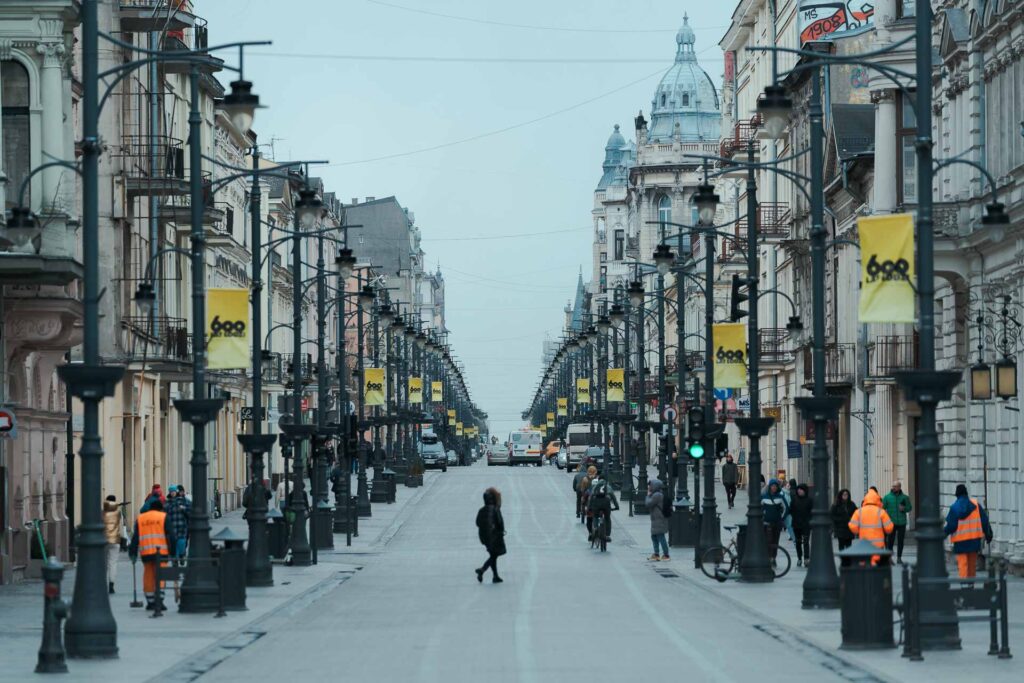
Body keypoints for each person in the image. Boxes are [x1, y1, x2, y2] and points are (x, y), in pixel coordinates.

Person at [128, 498, 175, 610]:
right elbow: (171, 536)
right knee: (160, 576)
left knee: (148, 576)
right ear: (160, 508)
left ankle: (150, 601)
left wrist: (133, 552)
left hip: (146, 553)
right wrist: (172, 552)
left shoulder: (141, 518)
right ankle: (159, 601)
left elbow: (135, 538)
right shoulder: (163, 517)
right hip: (162, 553)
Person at [944, 484, 992, 579]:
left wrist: (943, 534)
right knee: (971, 564)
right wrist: (988, 534)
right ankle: (970, 583)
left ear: (957, 495)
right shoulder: (976, 505)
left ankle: (964, 584)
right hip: (974, 540)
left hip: (960, 541)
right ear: (966, 493)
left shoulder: (954, 508)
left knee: (963, 564)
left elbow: (951, 526)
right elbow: (984, 521)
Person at [848, 488, 894, 565]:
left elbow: (852, 526)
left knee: (866, 561)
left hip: (864, 544)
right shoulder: (881, 512)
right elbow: (889, 528)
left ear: (865, 500)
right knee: (877, 563)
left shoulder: (859, 511)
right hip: (878, 545)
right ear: (878, 500)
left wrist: (857, 531)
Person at [475, 487, 505, 584]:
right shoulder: (495, 510)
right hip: (495, 535)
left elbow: (477, 522)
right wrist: (501, 531)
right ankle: (483, 569)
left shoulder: (482, 510)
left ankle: (494, 575)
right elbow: (500, 522)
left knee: (493, 555)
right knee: (494, 555)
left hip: (484, 536)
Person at [882, 481, 913, 564]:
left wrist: (904, 509)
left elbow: (910, 508)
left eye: (895, 486)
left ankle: (899, 558)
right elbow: (882, 508)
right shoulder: (887, 497)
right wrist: (885, 518)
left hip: (902, 522)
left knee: (900, 541)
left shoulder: (905, 497)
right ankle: (889, 559)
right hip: (891, 523)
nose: (893, 488)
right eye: (893, 486)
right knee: (890, 541)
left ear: (899, 487)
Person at [587, 470, 619, 542]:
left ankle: (595, 530)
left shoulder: (595, 487)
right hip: (606, 504)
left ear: (598, 480)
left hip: (596, 504)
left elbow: (591, 497)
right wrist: (617, 506)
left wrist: (589, 507)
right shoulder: (608, 486)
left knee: (595, 516)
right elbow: (613, 497)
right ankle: (607, 535)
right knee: (607, 518)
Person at [761, 479, 788, 563]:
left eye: (775, 486)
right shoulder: (764, 497)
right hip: (767, 522)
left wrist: (782, 518)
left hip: (777, 523)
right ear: (769, 487)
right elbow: (759, 508)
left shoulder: (780, 497)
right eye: (772, 486)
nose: (774, 487)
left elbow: (786, 508)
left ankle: (773, 558)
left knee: (776, 541)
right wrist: (763, 517)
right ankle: (769, 557)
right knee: (769, 541)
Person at [645, 478, 670, 561]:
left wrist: (648, 495)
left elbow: (648, 504)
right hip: (657, 519)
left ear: (654, 486)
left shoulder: (657, 495)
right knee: (654, 536)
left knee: (660, 536)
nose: (649, 487)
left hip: (659, 519)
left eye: (650, 485)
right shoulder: (657, 494)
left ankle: (666, 555)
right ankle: (656, 554)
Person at [103, 495, 123, 594]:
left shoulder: (102, 513)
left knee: (104, 563)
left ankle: (102, 583)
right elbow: (121, 526)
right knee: (113, 563)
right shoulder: (119, 513)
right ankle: (111, 584)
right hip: (115, 541)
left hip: (104, 541)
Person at [789, 484, 812, 567]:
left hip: (806, 524)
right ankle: (799, 558)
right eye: (798, 489)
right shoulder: (794, 500)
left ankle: (806, 559)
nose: (799, 491)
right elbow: (790, 510)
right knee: (798, 542)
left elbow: (812, 511)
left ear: (805, 491)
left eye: (801, 489)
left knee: (806, 542)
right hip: (796, 524)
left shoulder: (809, 500)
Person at [165, 484, 190, 560]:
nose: (172, 493)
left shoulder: (183, 501)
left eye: (174, 491)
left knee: (182, 542)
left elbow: (189, 512)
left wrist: (184, 509)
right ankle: (175, 559)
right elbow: (164, 514)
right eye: (171, 491)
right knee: (173, 543)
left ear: (176, 492)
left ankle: (182, 555)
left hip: (181, 526)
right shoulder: (168, 502)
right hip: (172, 526)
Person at [830, 489, 858, 556]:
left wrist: (852, 520)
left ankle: (848, 560)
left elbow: (856, 514)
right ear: (841, 495)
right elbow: (832, 516)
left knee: (849, 546)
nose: (845, 496)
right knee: (841, 546)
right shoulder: (836, 505)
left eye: (846, 494)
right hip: (840, 529)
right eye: (844, 494)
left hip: (849, 528)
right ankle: (843, 560)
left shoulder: (852, 504)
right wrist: (839, 520)